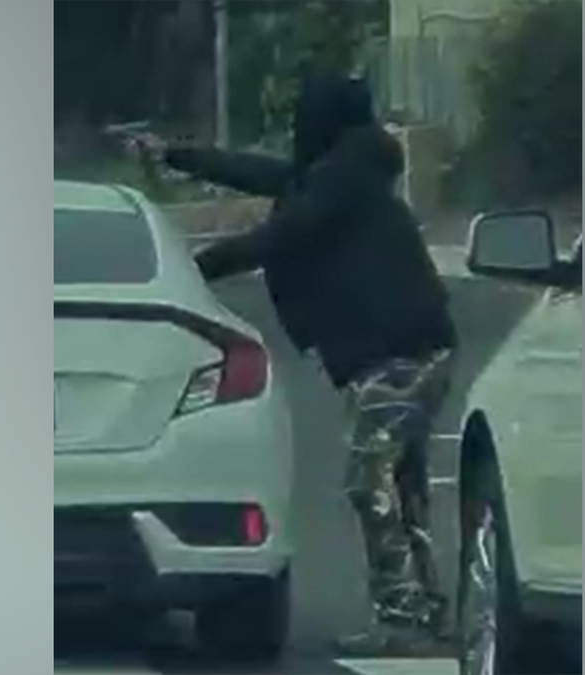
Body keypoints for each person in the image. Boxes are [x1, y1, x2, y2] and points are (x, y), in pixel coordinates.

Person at [130, 71, 458, 656]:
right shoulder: (344, 171)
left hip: (396, 353)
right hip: (412, 347)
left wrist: (190, 270)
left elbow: (279, 236)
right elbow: (260, 173)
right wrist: (181, 157)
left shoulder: (341, 180)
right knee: (400, 485)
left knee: (371, 483)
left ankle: (406, 621)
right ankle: (422, 613)